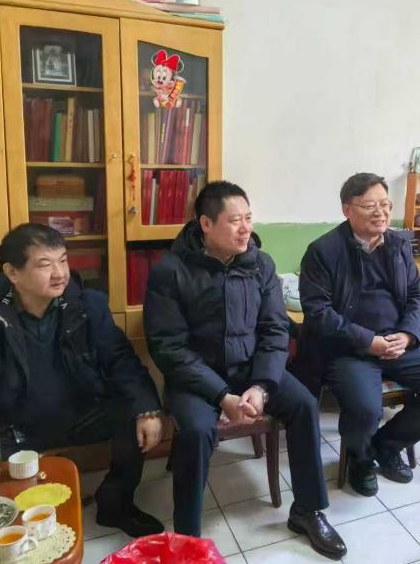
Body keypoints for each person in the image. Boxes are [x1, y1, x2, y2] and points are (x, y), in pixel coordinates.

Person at [144, 181, 346, 560]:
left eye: (248, 219)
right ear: (206, 224)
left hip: (252, 369)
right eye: (234, 221)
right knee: (197, 430)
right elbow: (169, 347)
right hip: (196, 377)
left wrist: (261, 386)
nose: (245, 229)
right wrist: (222, 396)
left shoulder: (260, 264)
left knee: (304, 404)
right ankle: (188, 539)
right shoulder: (170, 271)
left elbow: (275, 330)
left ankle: (307, 511)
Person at [0, 224, 164, 537]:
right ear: (12, 273)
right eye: (45, 265)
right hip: (4, 427)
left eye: (63, 260)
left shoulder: (87, 305)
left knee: (133, 413)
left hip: (76, 415)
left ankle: (116, 505)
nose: (59, 273)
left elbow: (120, 360)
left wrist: (147, 408)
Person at [297, 173, 420, 497]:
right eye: (370, 206)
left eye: (386, 205)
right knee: (365, 408)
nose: (381, 213)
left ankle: (385, 446)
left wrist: (408, 334)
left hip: (397, 342)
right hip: (350, 349)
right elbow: (318, 314)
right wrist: (367, 342)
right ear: (347, 209)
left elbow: (416, 296)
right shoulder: (323, 251)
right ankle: (359, 460)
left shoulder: (399, 244)